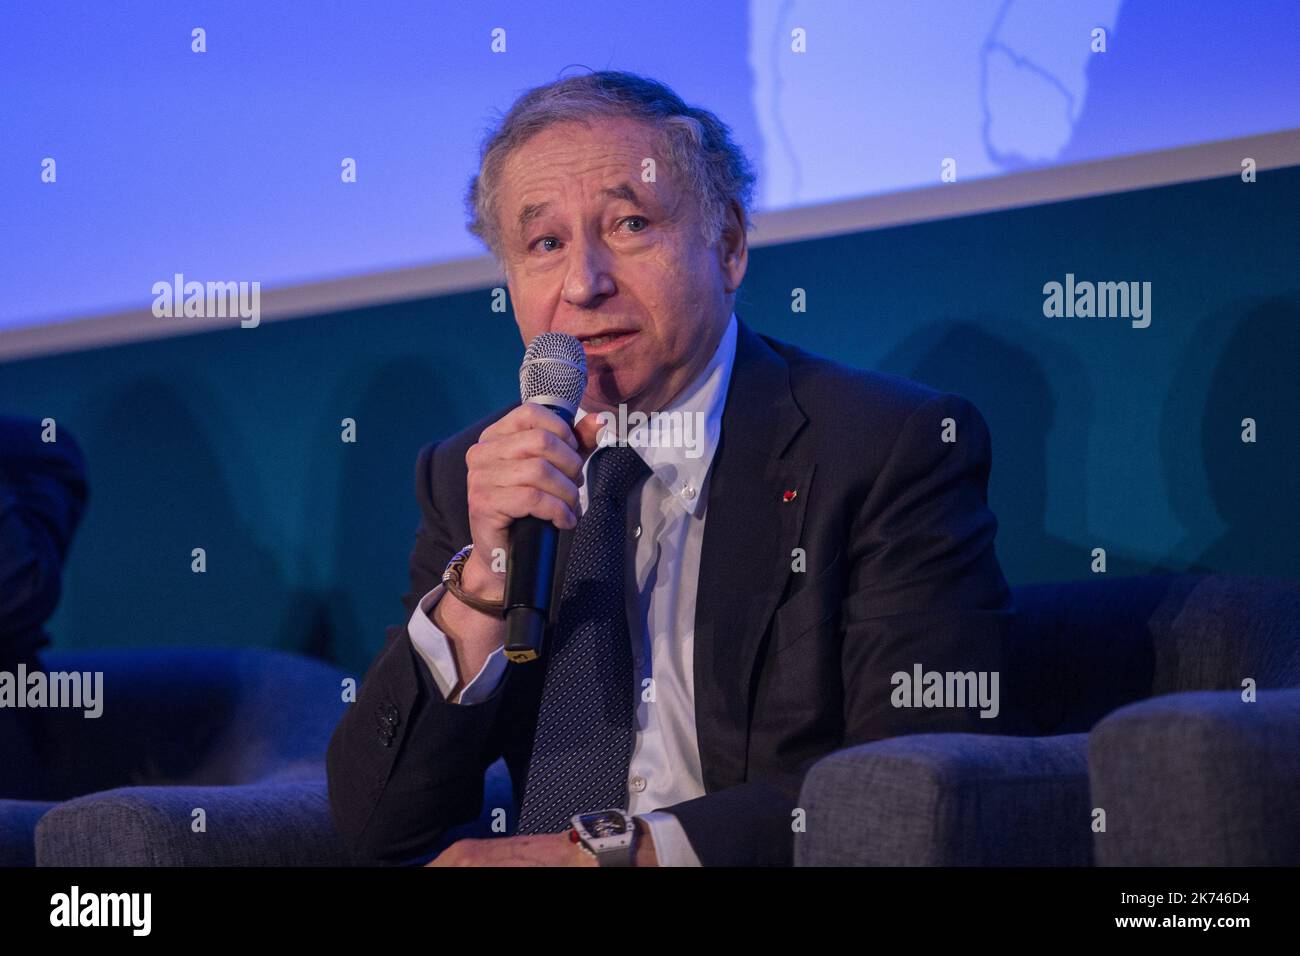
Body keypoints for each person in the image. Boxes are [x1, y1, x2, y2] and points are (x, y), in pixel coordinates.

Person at [326, 70, 1015, 866]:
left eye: (629, 224)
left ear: (726, 244)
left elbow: (914, 778)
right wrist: (482, 581)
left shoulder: (886, 449)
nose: (584, 284)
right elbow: (378, 825)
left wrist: (615, 856)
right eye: (545, 243)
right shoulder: (474, 476)